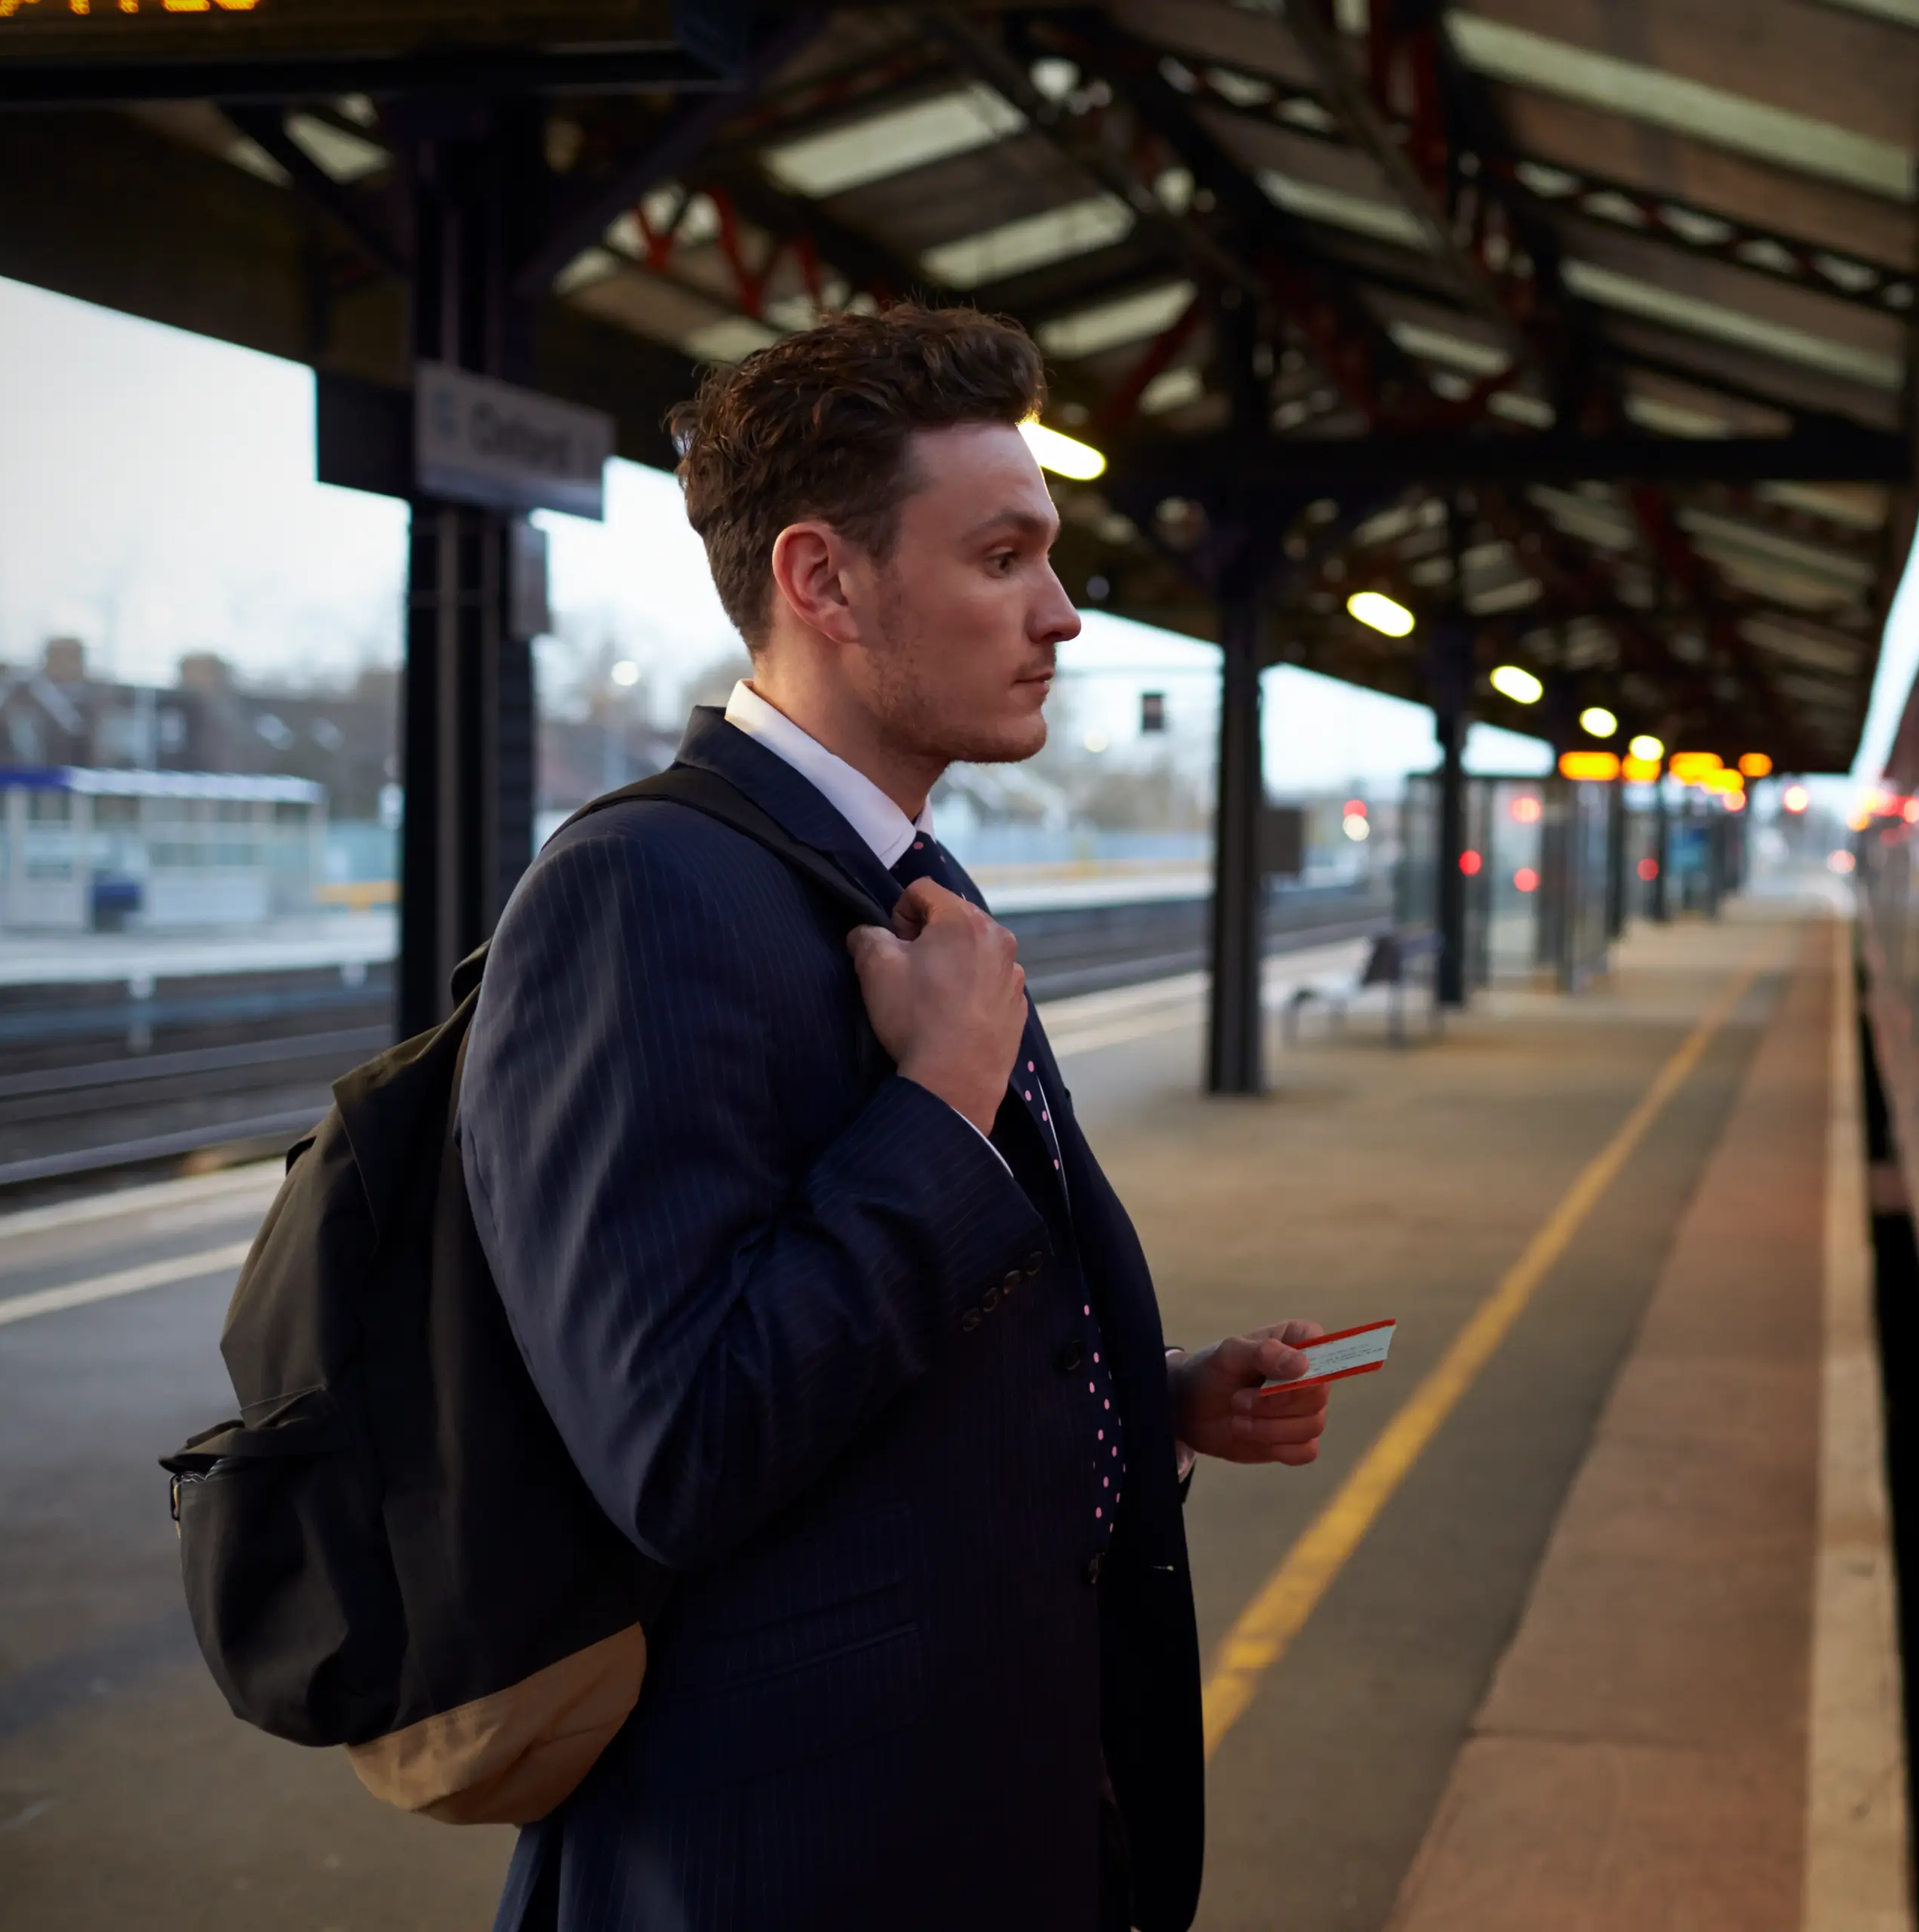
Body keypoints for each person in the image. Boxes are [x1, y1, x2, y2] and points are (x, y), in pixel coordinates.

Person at [458, 306, 1332, 1930]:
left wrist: (1150, 1397)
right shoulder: (638, 892)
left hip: (974, 1817)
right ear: (823, 580)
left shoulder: (896, 877)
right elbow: (679, 1439)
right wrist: (938, 1102)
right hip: (793, 1860)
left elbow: (874, 1350)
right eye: (1005, 555)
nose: (1064, 613)